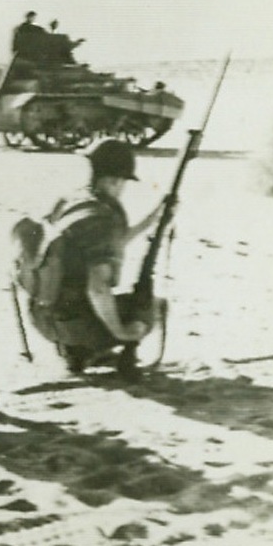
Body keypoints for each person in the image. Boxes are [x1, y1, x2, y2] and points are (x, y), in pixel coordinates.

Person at [20, 139, 166, 381]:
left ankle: (76, 352)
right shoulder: (105, 219)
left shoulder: (72, 202)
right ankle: (113, 350)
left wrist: (152, 221)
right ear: (114, 180)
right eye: (123, 182)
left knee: (75, 295)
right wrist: (120, 331)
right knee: (151, 304)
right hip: (74, 324)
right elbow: (97, 288)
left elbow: (100, 246)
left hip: (42, 316)